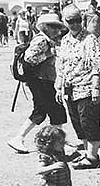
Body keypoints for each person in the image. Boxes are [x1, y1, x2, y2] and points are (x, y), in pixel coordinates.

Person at [7, 12, 71, 154]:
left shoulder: (45, 39)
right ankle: (60, 142)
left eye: (56, 26)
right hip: (41, 81)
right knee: (55, 111)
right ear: (45, 27)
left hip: (41, 81)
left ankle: (20, 138)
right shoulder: (42, 41)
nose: (55, 29)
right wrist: (49, 54)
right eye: (52, 26)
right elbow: (30, 59)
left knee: (42, 112)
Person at [56, 4, 100, 169]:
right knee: (77, 122)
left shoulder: (90, 38)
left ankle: (93, 158)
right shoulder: (64, 41)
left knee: (89, 121)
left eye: (78, 20)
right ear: (65, 22)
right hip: (71, 88)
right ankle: (88, 154)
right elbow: (61, 65)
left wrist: (95, 88)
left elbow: (97, 64)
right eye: (71, 21)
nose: (75, 24)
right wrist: (59, 87)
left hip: (90, 86)